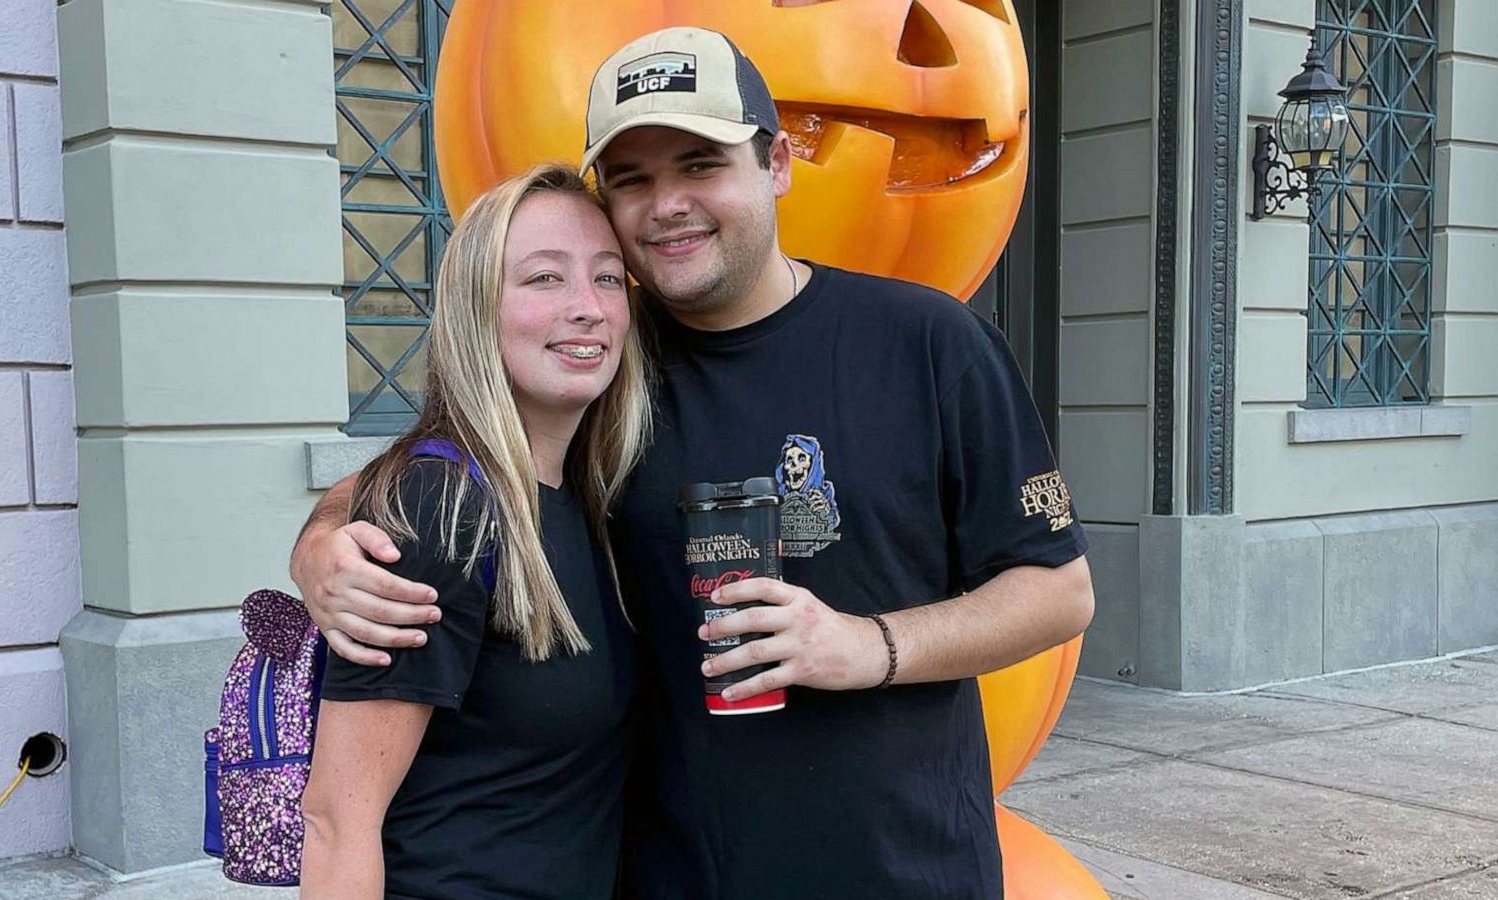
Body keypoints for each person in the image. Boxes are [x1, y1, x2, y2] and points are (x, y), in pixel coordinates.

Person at [292, 28, 1095, 900]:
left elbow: (1058, 592)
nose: (666, 203)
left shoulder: (928, 342)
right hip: (670, 876)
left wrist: (865, 645)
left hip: (900, 869)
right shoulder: (608, 365)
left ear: (778, 163)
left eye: (701, 163)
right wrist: (327, 538)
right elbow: (463, 464)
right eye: (632, 179)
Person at [297, 163, 652, 900]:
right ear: (474, 308)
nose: (586, 307)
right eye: (544, 279)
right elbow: (337, 821)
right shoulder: (443, 509)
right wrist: (321, 540)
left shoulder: (585, 491)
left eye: (608, 278)